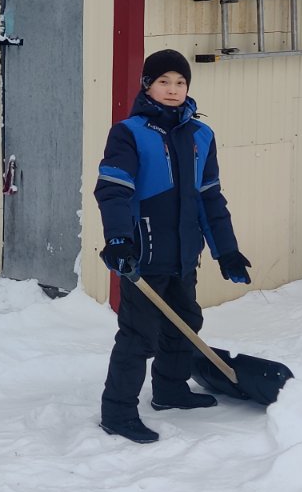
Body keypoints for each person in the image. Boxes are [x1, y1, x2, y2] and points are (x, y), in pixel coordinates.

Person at [94, 49, 252, 443]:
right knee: (137, 336)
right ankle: (117, 412)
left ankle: (170, 390)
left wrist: (226, 250)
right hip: (143, 258)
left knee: (185, 324)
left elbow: (210, 197)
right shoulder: (129, 133)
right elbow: (113, 191)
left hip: (184, 255)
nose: (173, 89)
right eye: (164, 81)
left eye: (180, 82)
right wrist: (118, 240)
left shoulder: (202, 135)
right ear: (148, 85)